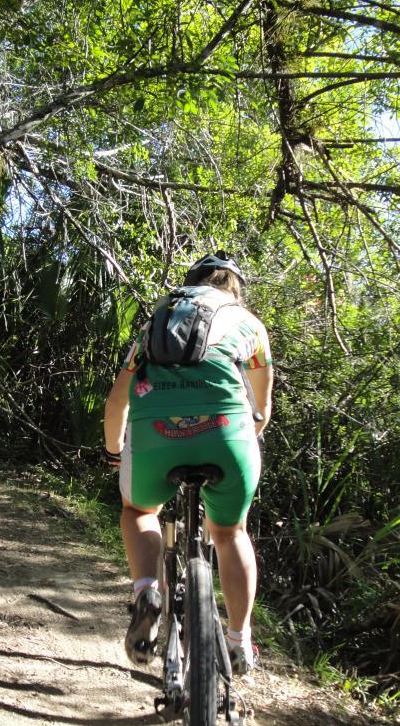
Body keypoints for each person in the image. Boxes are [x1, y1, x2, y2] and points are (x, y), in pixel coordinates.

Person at [103, 251, 273, 674]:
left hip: (154, 431)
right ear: (234, 287)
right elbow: (263, 410)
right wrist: (230, 444)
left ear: (191, 282)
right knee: (231, 531)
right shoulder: (249, 324)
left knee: (139, 511)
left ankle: (147, 591)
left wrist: (112, 451)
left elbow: (116, 402)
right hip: (227, 431)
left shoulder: (155, 323)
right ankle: (239, 642)